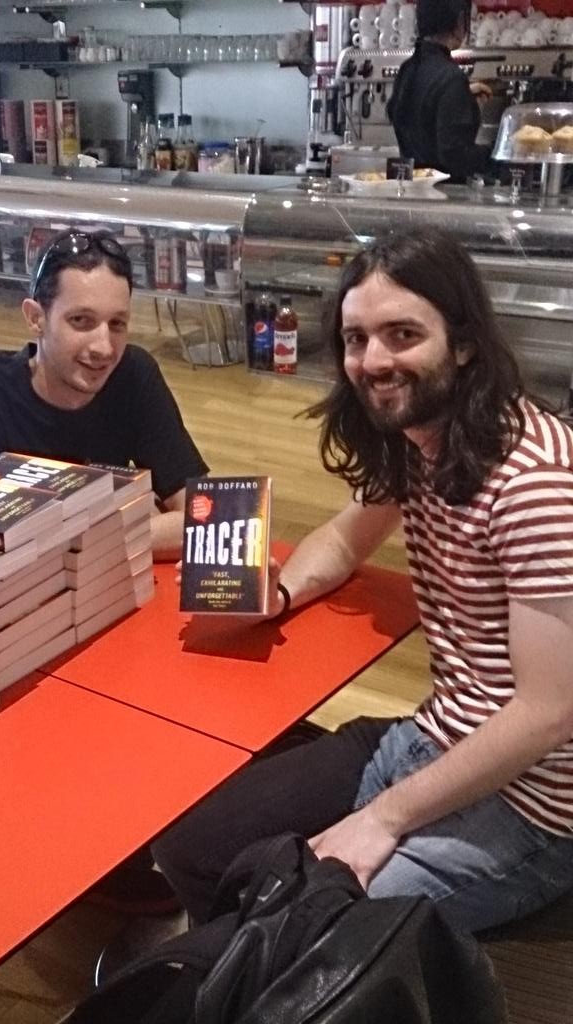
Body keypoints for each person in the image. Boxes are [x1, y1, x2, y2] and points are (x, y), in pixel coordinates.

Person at [152, 227, 573, 934]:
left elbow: (549, 713)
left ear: (464, 343)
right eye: (356, 339)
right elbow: (347, 539)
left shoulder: (534, 487)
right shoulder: (429, 435)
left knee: (294, 933)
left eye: (402, 334)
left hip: (536, 807)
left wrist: (383, 818)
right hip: (439, 737)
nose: (373, 360)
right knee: (190, 846)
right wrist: (277, 595)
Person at [0, 229, 208, 561]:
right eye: (81, 321)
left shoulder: (133, 373)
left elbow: (206, 517)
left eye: (117, 324)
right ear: (36, 318)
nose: (104, 348)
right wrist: (137, 523)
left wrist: (86, 536)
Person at [387, 0, 493, 182]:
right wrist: (497, 153)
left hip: (409, 190)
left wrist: (463, 98)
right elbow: (455, 156)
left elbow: (417, 112)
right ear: (460, 21)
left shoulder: (407, 69)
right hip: (445, 195)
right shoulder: (452, 78)